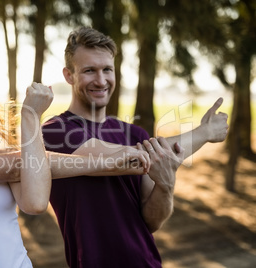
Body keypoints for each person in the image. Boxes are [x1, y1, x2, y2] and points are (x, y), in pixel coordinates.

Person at [0, 58, 152, 267]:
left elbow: (35, 203)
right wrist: (30, 116)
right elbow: (19, 166)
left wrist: (117, 161)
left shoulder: (3, 156)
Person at [41, 27, 229, 267]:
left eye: (107, 69)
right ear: (69, 75)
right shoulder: (56, 131)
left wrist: (166, 184)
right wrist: (205, 133)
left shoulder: (135, 134)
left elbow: (151, 222)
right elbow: (126, 158)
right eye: (89, 71)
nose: (101, 80)